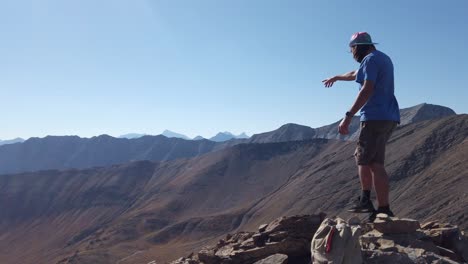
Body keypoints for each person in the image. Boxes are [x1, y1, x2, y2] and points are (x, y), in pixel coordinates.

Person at [322, 32, 400, 222]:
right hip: (389, 116)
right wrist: (337, 77)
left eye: (352, 50)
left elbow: (366, 89)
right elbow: (354, 74)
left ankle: (368, 201)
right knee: (375, 163)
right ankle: (382, 208)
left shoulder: (369, 60)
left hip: (373, 116)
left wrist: (348, 116)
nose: (352, 53)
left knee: (364, 160)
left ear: (357, 47)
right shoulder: (382, 59)